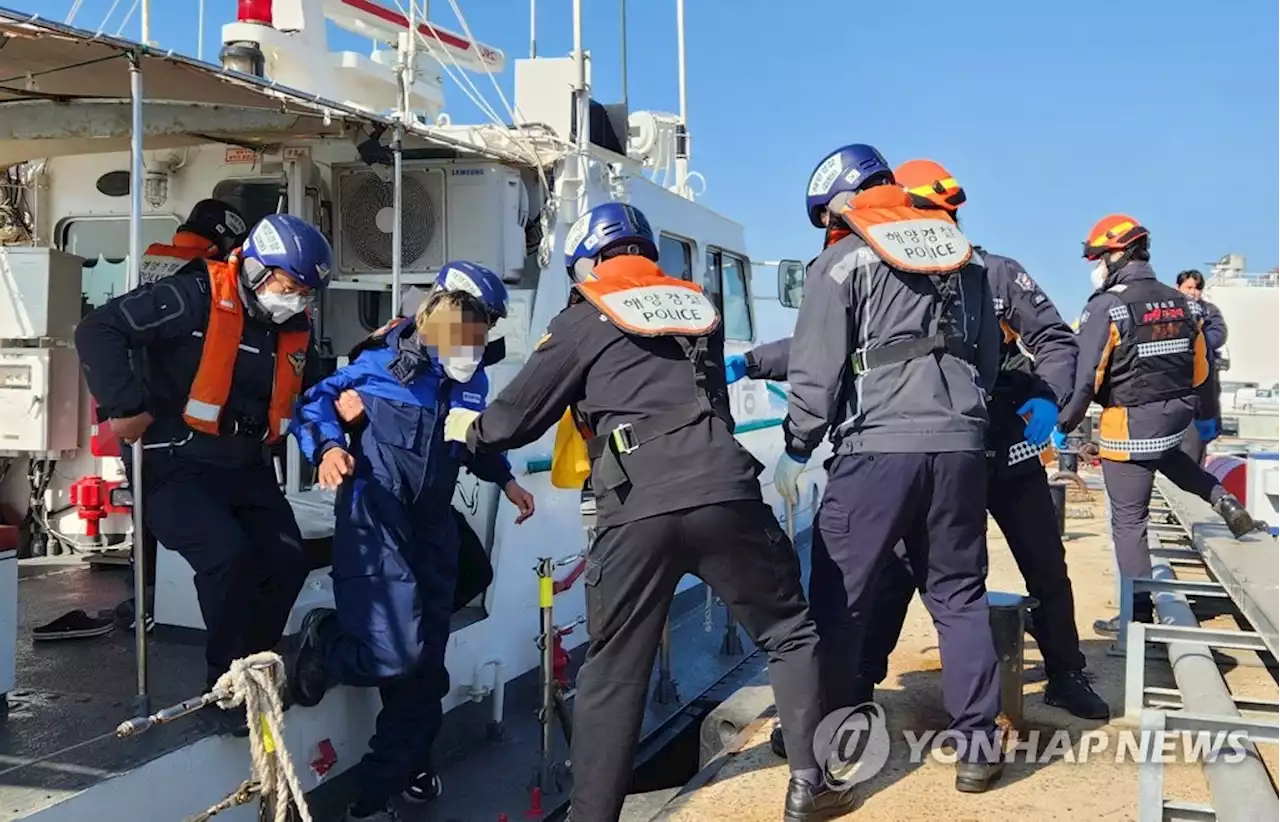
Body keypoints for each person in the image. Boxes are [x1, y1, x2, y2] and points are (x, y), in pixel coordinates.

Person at [440, 202, 847, 822]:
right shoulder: (698, 308)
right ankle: (809, 783)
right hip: (725, 492)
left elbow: (517, 419)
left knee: (613, 673)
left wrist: (469, 434)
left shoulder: (583, 318)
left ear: (593, 259)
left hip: (635, 507)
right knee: (790, 632)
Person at [736, 160, 1111, 728]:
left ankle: (1064, 670)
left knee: (1043, 563)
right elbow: (838, 345)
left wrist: (1051, 398)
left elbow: (1055, 340)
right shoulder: (882, 260)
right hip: (954, 443)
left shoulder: (988, 268)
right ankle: (861, 684)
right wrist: (754, 362)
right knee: (896, 576)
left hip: (1003, 442)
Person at [777, 144, 1005, 793]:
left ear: (840, 203)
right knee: (959, 596)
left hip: (876, 449)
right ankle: (978, 748)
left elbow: (816, 372)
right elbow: (986, 360)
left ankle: (823, 747)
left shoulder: (843, 258)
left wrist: (797, 448)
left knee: (840, 598)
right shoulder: (964, 255)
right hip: (962, 445)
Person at [287, 261, 536, 822]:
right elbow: (314, 404)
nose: (481, 337)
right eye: (475, 323)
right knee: (396, 655)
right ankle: (326, 639)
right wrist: (329, 447)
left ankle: (374, 796)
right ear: (444, 316)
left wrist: (507, 479)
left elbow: (472, 438)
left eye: (488, 326)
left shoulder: (471, 377)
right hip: (376, 518)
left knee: (427, 670)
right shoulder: (378, 364)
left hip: (432, 524)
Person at [75, 213, 331, 733]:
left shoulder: (288, 326)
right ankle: (227, 688)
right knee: (226, 555)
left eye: (307, 293)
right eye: (290, 287)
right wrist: (124, 405)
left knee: (285, 560)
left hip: (244, 465)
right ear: (258, 271)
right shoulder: (189, 297)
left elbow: (305, 387)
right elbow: (97, 329)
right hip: (173, 464)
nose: (297, 300)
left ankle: (253, 669)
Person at [1059, 215, 1256, 638]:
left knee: (1129, 523)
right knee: (1166, 457)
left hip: (1128, 422)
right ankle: (1225, 501)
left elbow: (1087, 376)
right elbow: (1201, 368)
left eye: (1097, 257)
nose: (1095, 266)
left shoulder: (1105, 306)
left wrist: (1065, 425)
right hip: (1174, 416)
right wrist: (1201, 415)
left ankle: (1136, 617)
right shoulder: (1185, 303)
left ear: (1117, 254)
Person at [1175, 269, 1228, 464]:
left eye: (1197, 288)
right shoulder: (1170, 310)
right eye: (1188, 287)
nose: (1193, 292)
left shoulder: (1209, 311)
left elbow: (1219, 334)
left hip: (1202, 385)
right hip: (1174, 383)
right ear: (1178, 287)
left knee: (1194, 441)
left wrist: (1197, 343)